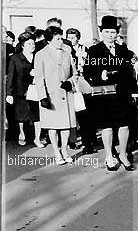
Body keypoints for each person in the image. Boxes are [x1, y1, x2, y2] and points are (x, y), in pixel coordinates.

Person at [82, 16, 138, 171]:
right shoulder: (94, 50)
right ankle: (109, 155)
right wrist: (98, 76)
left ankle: (122, 154)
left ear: (117, 33)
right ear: (102, 32)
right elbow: (87, 72)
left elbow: (130, 73)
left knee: (124, 125)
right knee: (107, 127)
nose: (110, 34)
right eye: (107, 31)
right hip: (104, 94)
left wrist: (134, 92)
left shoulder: (123, 50)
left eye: (113, 31)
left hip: (122, 93)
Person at [34, 26, 77, 165]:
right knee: (53, 126)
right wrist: (42, 97)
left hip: (66, 94)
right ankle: (56, 152)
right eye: (57, 39)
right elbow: (39, 78)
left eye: (61, 38)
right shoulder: (40, 54)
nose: (61, 41)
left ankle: (64, 150)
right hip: (50, 96)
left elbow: (75, 73)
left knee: (66, 125)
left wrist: (70, 82)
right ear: (48, 40)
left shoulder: (67, 53)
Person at [6, 32, 43, 148]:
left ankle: (38, 138)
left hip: (36, 90)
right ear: (23, 45)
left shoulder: (38, 56)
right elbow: (11, 76)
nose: (32, 45)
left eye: (33, 43)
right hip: (20, 92)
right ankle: (22, 134)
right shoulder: (15, 58)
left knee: (37, 115)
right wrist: (9, 93)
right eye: (29, 43)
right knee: (21, 116)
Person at [65, 27, 96, 154]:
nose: (70, 40)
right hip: (71, 83)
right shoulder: (65, 50)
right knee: (72, 114)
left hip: (84, 83)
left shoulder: (85, 50)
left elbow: (92, 66)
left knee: (85, 113)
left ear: (78, 38)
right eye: (68, 38)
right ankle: (71, 140)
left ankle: (88, 141)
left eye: (73, 38)